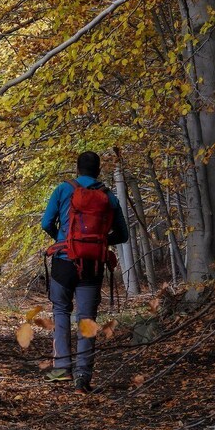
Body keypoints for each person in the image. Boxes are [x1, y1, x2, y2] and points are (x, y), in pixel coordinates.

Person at [41, 151, 129, 393]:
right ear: (98, 171)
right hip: (93, 264)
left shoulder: (63, 189)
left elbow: (46, 223)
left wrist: (63, 240)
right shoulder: (107, 196)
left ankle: (61, 371)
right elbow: (123, 234)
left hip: (63, 261)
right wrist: (99, 241)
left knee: (61, 311)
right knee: (87, 318)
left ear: (77, 169)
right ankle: (83, 377)